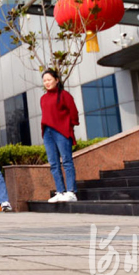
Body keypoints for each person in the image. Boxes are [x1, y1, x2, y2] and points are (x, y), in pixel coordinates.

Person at [41, 69, 80, 203]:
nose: (47, 82)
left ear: (57, 80)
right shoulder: (43, 98)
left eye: (49, 79)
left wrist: (69, 126)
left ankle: (71, 192)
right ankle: (60, 191)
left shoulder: (64, 95)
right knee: (53, 163)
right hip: (47, 132)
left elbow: (73, 113)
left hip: (62, 131)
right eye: (45, 80)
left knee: (67, 161)